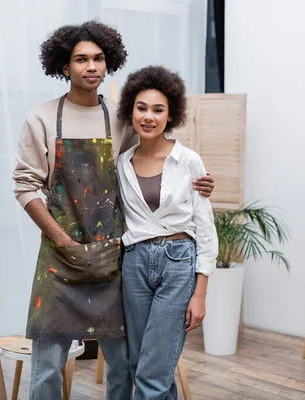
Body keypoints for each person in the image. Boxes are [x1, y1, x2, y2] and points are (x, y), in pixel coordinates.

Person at [12, 21, 215, 399]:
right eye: (81, 59)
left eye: (99, 58)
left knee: (122, 368)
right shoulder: (40, 118)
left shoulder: (120, 120)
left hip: (113, 261)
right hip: (59, 261)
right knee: (46, 370)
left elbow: (155, 159)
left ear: (109, 63)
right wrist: (61, 238)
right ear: (64, 67)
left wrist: (199, 181)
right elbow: (25, 186)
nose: (91, 66)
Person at [116, 65, 219, 400]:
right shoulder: (121, 163)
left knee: (153, 373)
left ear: (170, 114)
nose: (149, 116)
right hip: (134, 264)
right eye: (141, 108)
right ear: (130, 111)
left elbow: (204, 228)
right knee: (142, 365)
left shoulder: (188, 160)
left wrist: (200, 292)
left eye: (158, 110)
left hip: (178, 263)